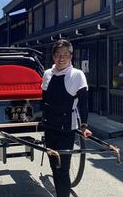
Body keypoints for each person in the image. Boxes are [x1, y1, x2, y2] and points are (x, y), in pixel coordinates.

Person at [41, 39, 92, 197]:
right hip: (49, 126)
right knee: (54, 164)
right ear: (53, 56)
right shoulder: (47, 73)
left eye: (65, 54)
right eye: (58, 54)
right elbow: (43, 100)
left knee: (62, 168)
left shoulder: (77, 75)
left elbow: (83, 104)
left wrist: (84, 125)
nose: (61, 58)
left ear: (71, 56)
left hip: (66, 127)